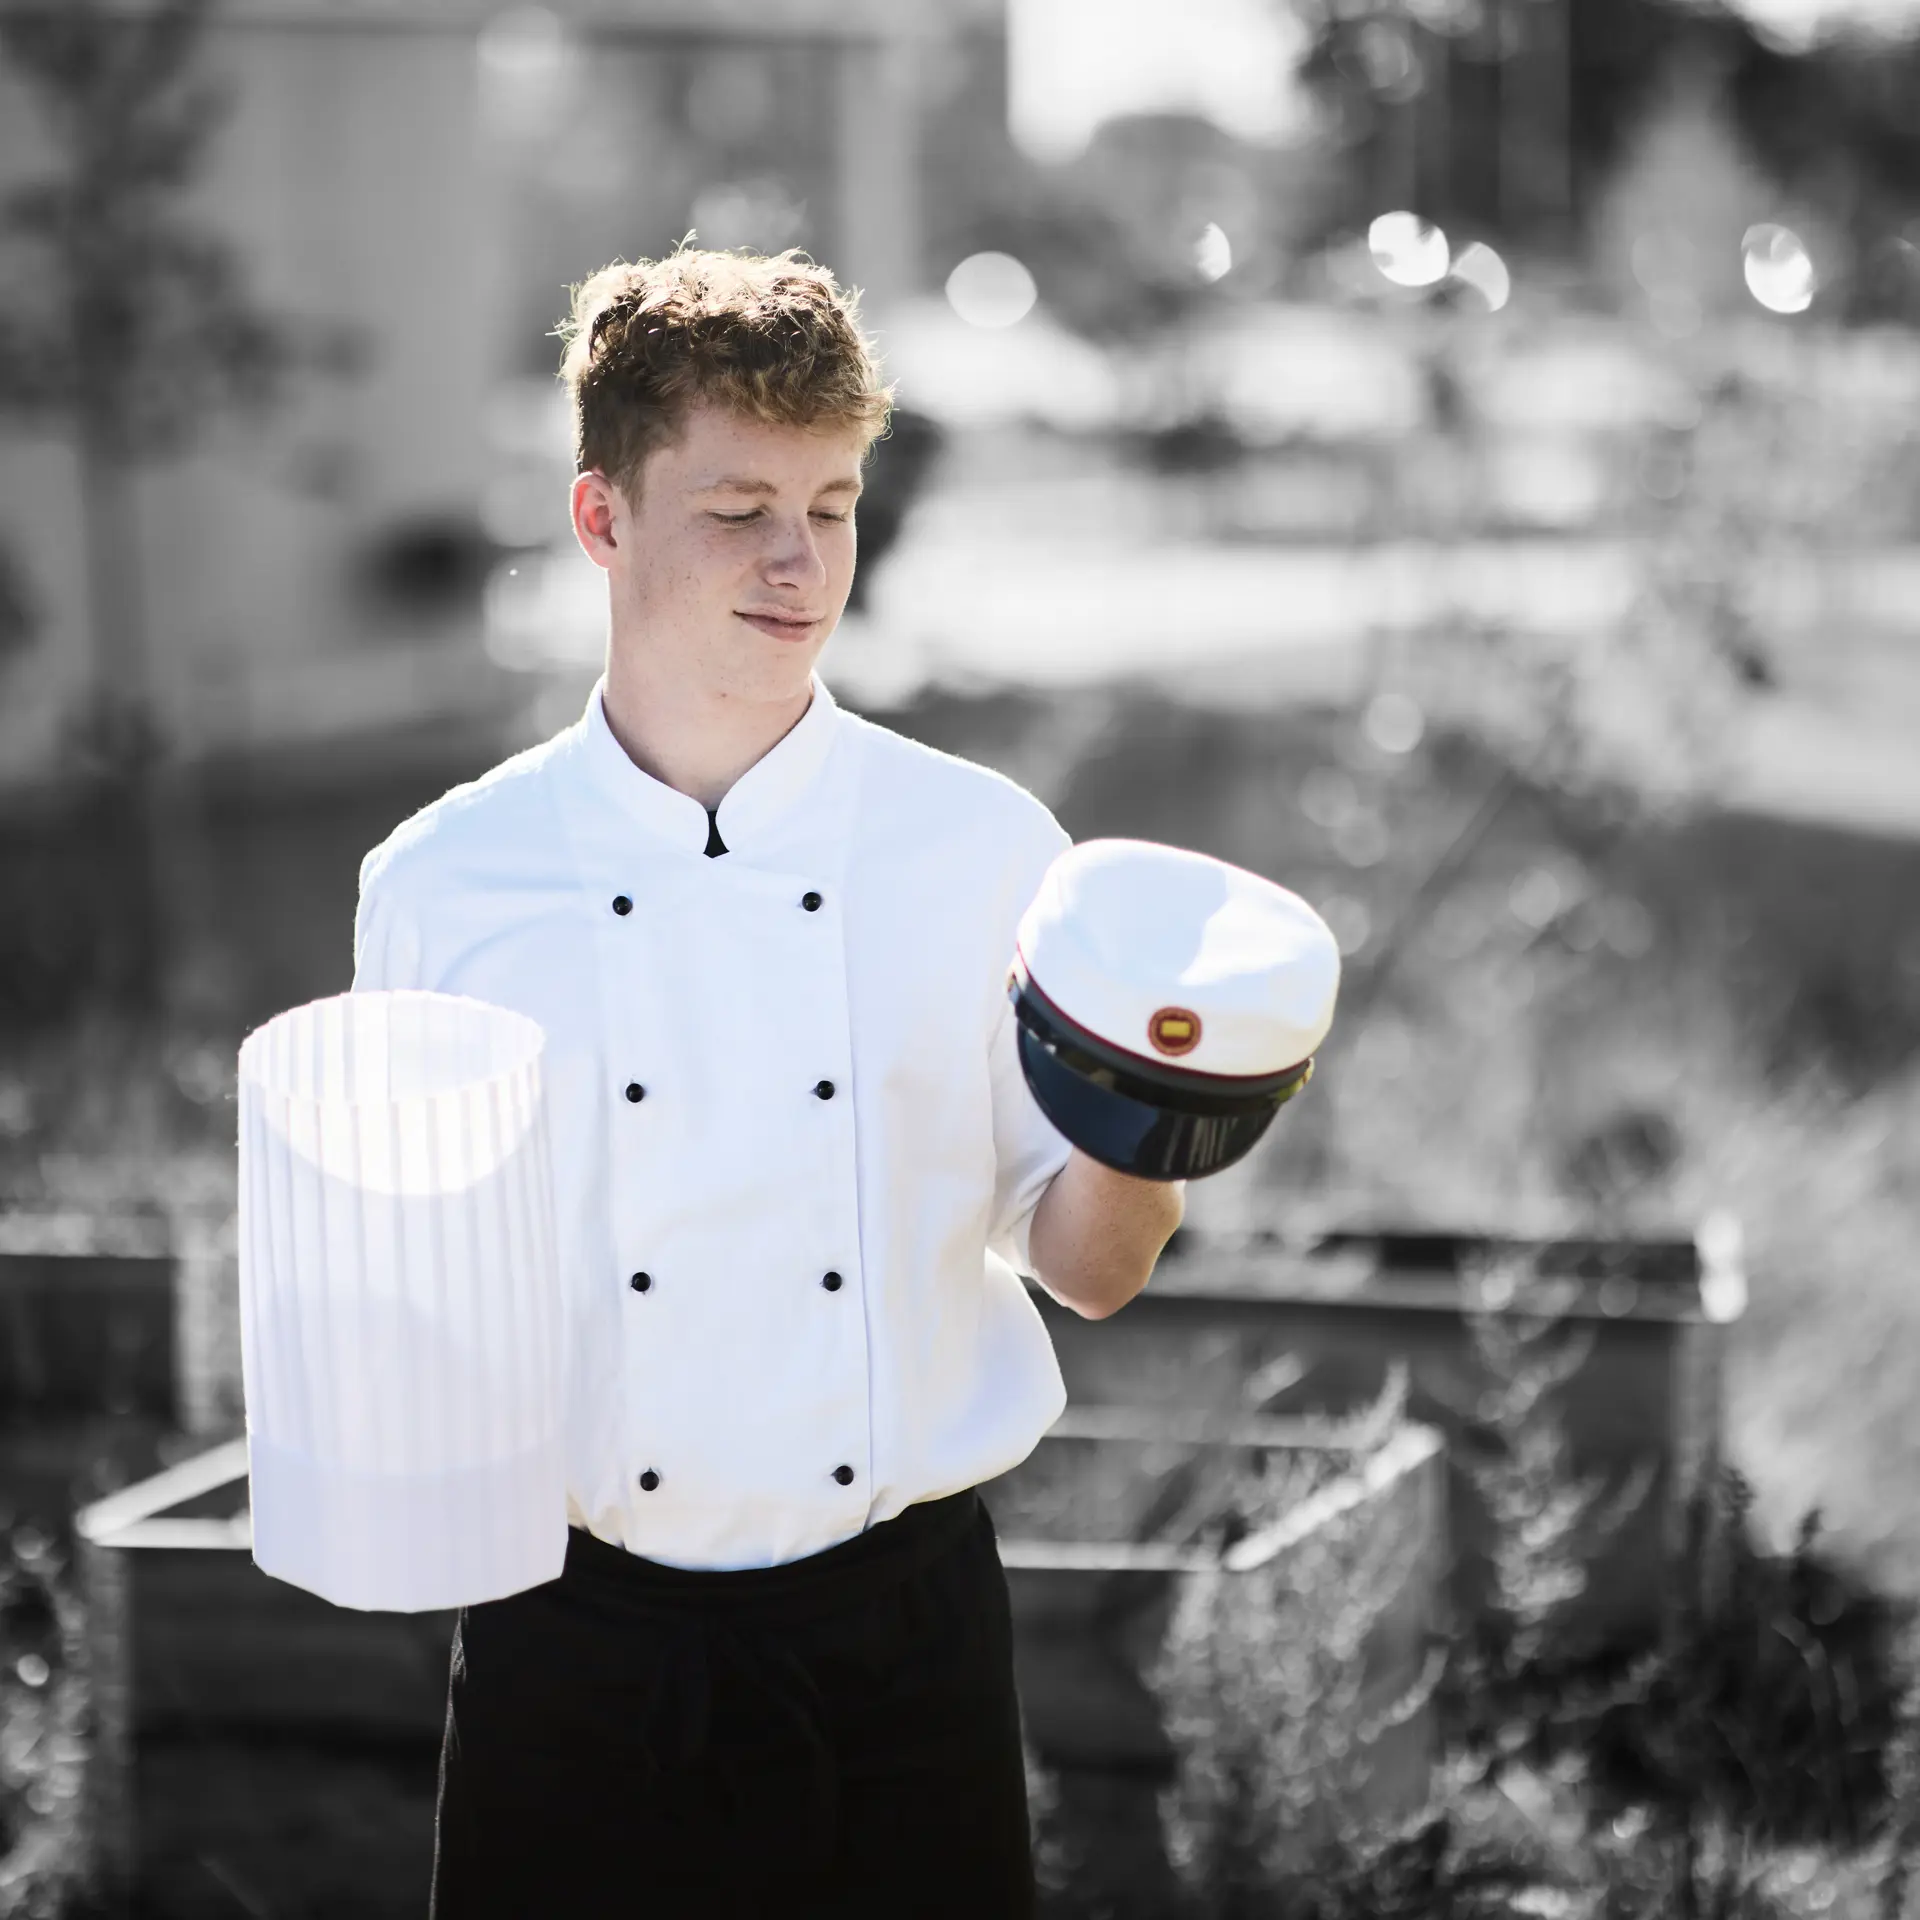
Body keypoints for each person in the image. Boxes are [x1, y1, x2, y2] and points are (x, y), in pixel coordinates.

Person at [349, 245, 1184, 1919]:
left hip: (902, 1650)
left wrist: (1165, 1106)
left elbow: (1091, 1269)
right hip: (567, 1653)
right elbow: (408, 1307)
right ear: (602, 520)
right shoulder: (446, 881)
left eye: (835, 503)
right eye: (738, 509)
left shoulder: (989, 851)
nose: (801, 561)